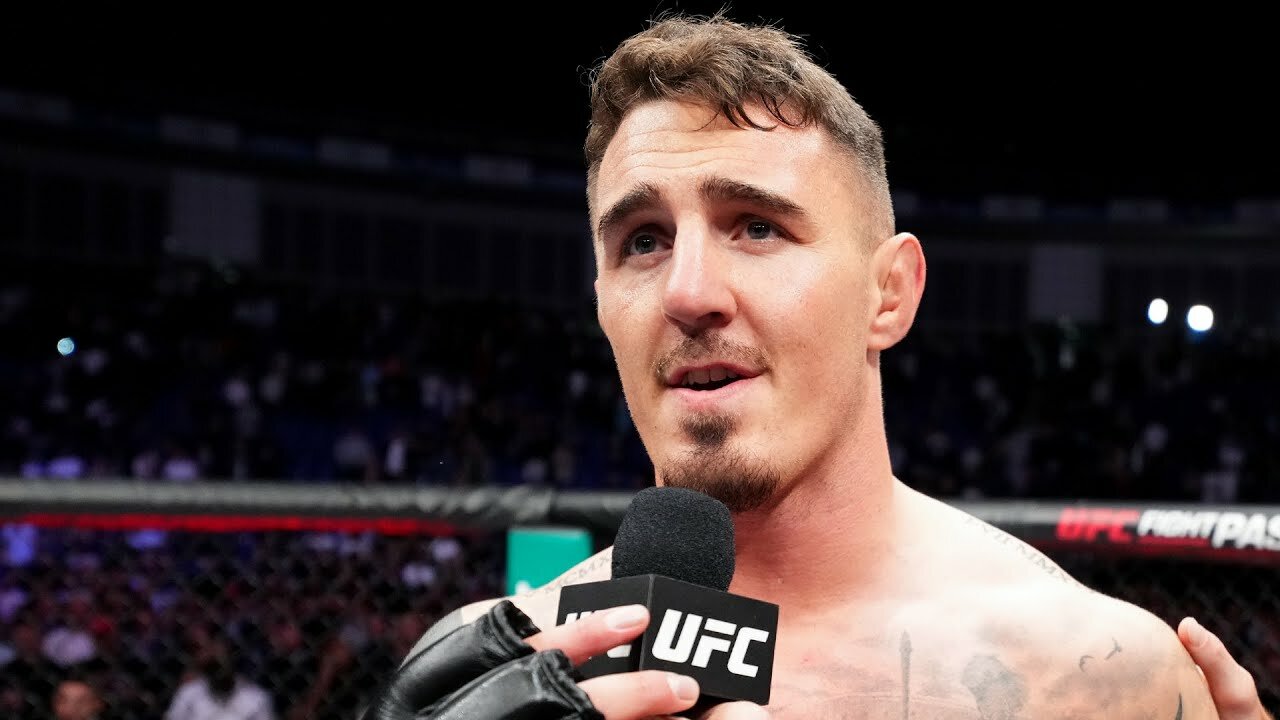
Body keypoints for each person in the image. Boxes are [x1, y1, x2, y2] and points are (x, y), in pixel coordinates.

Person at [386, 11, 1271, 719]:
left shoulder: (1099, 674)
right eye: (643, 241)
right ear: (601, 300)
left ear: (889, 294)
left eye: (757, 227)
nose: (688, 292)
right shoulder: (489, 671)